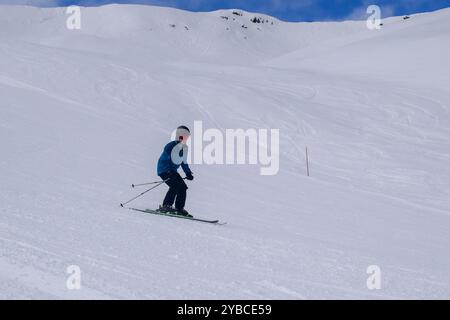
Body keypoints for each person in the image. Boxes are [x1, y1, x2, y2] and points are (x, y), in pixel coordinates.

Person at [157, 125, 194, 217]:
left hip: (172, 171)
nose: (186, 138)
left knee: (183, 187)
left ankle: (179, 208)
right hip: (164, 169)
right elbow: (168, 157)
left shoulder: (184, 148)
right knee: (175, 185)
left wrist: (188, 173)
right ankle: (166, 205)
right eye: (185, 135)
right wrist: (169, 170)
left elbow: (183, 162)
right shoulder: (171, 145)